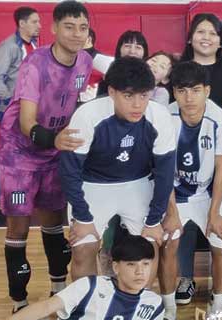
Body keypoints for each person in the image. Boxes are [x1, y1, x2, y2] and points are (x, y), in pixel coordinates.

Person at [0, 0, 92, 314]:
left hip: (56, 151)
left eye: (83, 27)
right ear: (53, 29)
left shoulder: (84, 63)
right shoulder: (35, 64)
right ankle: (19, 301)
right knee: (19, 230)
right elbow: (26, 123)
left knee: (54, 223)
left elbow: (75, 104)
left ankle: (59, 292)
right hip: (19, 153)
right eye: (69, 26)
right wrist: (56, 138)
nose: (77, 34)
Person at [58, 57, 176, 282]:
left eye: (144, 95)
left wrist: (153, 222)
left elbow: (165, 173)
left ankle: (139, 308)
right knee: (83, 249)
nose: (137, 104)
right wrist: (82, 218)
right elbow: (69, 171)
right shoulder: (87, 115)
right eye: (128, 96)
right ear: (112, 92)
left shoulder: (159, 116)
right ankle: (87, 311)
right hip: (93, 186)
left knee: (149, 246)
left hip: (138, 184)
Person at [158, 62, 222, 320]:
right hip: (174, 194)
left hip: (208, 193)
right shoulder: (164, 117)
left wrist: (214, 213)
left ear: (207, 91)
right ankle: (169, 310)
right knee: (168, 243)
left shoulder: (221, 118)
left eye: (195, 90)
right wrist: (170, 213)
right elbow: (163, 169)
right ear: (174, 93)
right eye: (182, 91)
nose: (189, 98)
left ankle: (219, 308)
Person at [7, 233, 164, 320]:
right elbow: (46, 307)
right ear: (116, 267)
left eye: (145, 264)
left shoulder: (154, 304)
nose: (140, 272)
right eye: (131, 265)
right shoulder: (90, 286)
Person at [0, 6, 40, 213]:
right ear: (22, 23)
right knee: (8, 152)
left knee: (26, 152)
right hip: (12, 108)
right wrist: (10, 103)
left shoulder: (34, 45)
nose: (39, 25)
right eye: (35, 21)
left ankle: (22, 194)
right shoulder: (8, 46)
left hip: (30, 107)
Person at [180, 13, 222, 109]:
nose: (206, 37)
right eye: (200, 32)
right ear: (190, 38)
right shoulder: (177, 71)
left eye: (213, 33)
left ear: (220, 43)